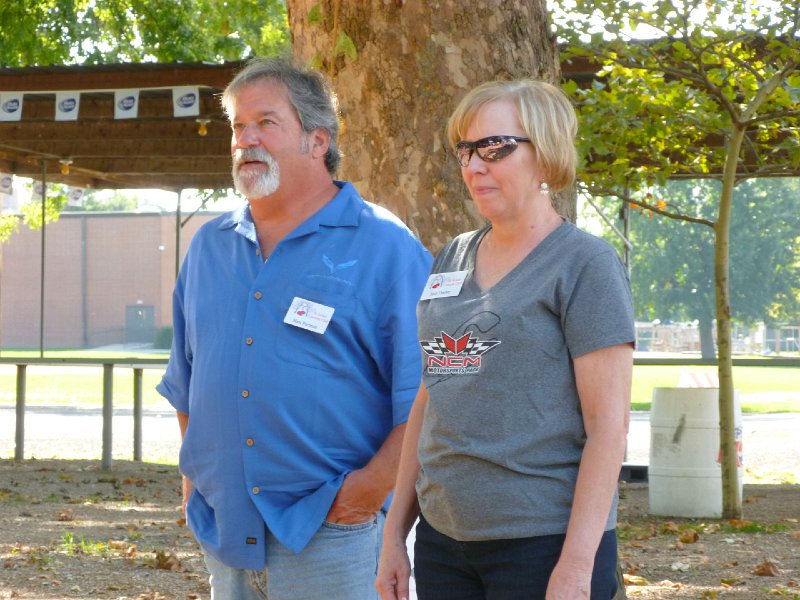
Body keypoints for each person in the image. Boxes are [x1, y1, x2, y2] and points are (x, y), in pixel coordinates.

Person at [157, 57, 432, 600]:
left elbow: (431, 394)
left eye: (265, 122)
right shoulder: (210, 247)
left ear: (317, 140)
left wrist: (361, 498)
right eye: (237, 126)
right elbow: (187, 384)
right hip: (227, 537)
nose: (245, 139)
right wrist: (199, 488)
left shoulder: (384, 246)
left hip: (335, 543)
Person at [376, 79, 635, 600]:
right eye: (465, 150)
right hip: (444, 541)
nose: (474, 166)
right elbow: (432, 395)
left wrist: (577, 566)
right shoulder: (452, 256)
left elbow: (608, 427)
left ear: (546, 152)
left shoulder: (585, 264)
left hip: (541, 545)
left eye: (494, 147)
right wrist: (393, 536)